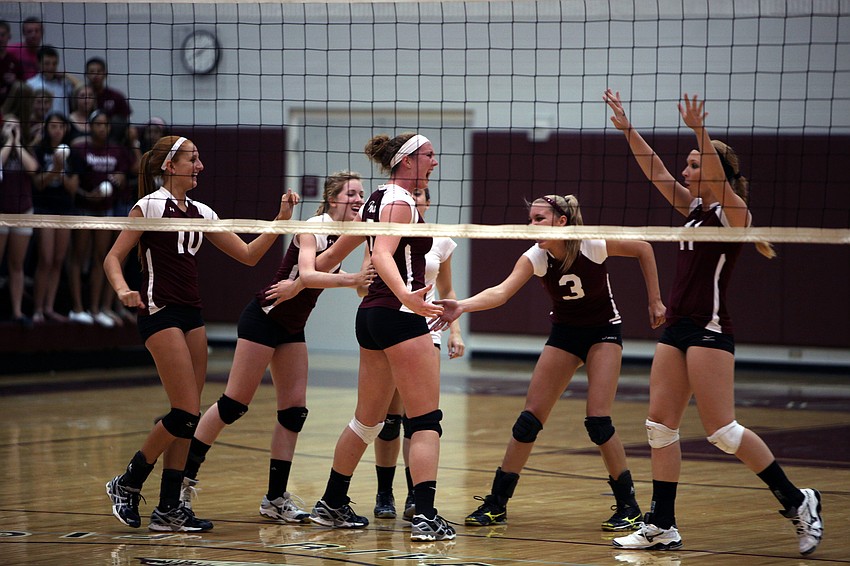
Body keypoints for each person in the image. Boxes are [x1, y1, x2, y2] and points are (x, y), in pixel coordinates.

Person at [603, 89, 823, 555]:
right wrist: (628, 131)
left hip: (710, 329)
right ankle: (662, 524)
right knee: (659, 427)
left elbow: (720, 182)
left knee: (722, 431)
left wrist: (700, 131)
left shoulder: (734, 214)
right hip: (678, 327)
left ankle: (798, 501)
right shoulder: (695, 212)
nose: (686, 170)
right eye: (688, 163)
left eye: (694, 164)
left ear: (716, 170)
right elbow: (657, 172)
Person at [102, 134, 299, 532]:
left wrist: (280, 223)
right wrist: (124, 290)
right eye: (193, 159)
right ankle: (128, 481)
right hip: (159, 312)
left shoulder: (202, 212)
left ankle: (168, 508)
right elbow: (113, 257)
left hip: (192, 315)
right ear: (170, 166)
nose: (201, 166)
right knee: (184, 411)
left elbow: (247, 255)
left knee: (188, 419)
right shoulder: (149, 206)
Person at [433, 194, 665, 532]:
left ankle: (629, 506)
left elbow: (644, 247)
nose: (532, 225)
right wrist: (462, 306)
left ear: (561, 221)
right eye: (531, 219)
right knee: (528, 421)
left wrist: (655, 300)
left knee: (598, 422)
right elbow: (501, 292)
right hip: (566, 334)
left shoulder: (592, 244)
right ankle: (497, 504)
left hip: (603, 333)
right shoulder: (536, 256)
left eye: (539, 218)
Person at [179, 171, 374, 524]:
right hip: (264, 318)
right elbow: (311, 275)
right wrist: (349, 280)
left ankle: (275, 499)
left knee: (294, 412)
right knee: (233, 404)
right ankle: (181, 482)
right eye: (352, 194)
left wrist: (368, 275)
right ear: (333, 199)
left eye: (362, 193)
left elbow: (334, 276)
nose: (359, 199)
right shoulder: (313, 226)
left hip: (291, 327)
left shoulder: (344, 234)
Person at [299, 132, 455, 542]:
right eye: (429, 156)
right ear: (406, 162)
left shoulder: (373, 202)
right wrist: (408, 296)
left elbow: (328, 258)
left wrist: (305, 274)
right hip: (400, 315)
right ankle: (425, 517)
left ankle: (332, 502)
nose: (435, 162)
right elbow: (383, 253)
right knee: (425, 421)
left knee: (367, 421)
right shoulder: (401, 203)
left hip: (370, 316)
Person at [371, 185, 465, 521]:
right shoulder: (389, 233)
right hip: (394, 326)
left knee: (419, 418)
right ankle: (384, 493)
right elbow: (370, 279)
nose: (417, 198)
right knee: (389, 418)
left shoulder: (439, 240)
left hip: (428, 333)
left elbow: (448, 290)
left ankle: (415, 494)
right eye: (415, 194)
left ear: (427, 201)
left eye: (422, 195)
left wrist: (455, 331)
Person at [65, 109, 134, 326]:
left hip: (106, 211)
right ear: (91, 127)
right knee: (78, 257)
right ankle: (77, 307)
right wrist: (87, 195)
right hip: (84, 210)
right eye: (97, 124)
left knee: (100, 258)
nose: (101, 128)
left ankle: (95, 309)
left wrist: (121, 179)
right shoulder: (79, 149)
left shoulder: (117, 151)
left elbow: (128, 173)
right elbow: (72, 182)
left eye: (105, 125)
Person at [30, 111, 78, 323]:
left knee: (58, 260)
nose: (57, 130)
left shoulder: (72, 154)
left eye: (60, 126)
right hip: (44, 209)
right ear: (47, 128)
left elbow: (73, 189)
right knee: (46, 259)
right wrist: (54, 170)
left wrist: (61, 171)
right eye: (53, 126)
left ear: (65, 129)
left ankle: (49, 308)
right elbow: (38, 183)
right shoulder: (39, 151)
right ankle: (37, 309)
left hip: (65, 210)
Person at [0, 114, 38, 326]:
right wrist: (8, 142)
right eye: (8, 126)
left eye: (16, 126)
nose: (12, 129)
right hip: (1, 213)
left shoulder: (26, 149)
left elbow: (32, 168)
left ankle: (17, 312)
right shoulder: (2, 149)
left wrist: (17, 143)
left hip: (23, 211)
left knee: (17, 264)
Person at [85, 57, 131, 142]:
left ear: (105, 74)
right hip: (87, 137)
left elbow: (125, 120)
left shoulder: (116, 96)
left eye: (99, 71)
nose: (95, 75)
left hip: (112, 140)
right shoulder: (81, 96)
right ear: (86, 74)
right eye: (92, 72)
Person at [26, 45, 79, 116]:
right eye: (47, 63)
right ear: (38, 63)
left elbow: (82, 88)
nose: (51, 67)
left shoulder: (63, 83)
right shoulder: (31, 84)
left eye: (54, 64)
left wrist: (66, 75)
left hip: (63, 125)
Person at [8, 17, 42, 81]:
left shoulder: (44, 55)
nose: (33, 35)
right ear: (24, 33)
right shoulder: (12, 50)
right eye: (29, 31)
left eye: (37, 31)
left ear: (42, 33)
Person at [0, 20, 24, 106]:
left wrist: (15, 81)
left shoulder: (14, 61)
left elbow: (23, 85)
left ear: (9, 36)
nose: (0, 39)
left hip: (11, 108)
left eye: (3, 35)